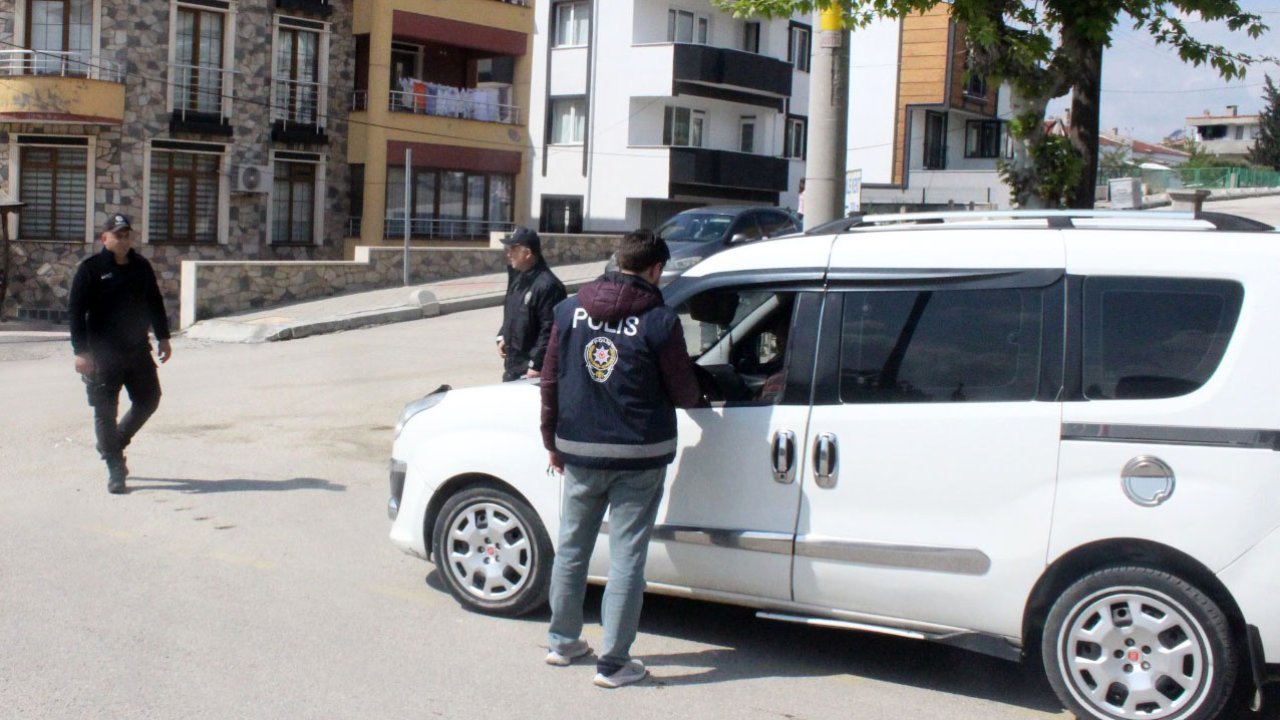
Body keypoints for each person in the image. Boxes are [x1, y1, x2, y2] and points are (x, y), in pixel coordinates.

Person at [539, 229, 702, 689]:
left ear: (616, 260)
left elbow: (550, 380)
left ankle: (563, 642)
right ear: (656, 269)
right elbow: (684, 390)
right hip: (640, 453)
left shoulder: (569, 311)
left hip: (580, 449)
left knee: (572, 547)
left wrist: (551, 439)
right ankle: (613, 663)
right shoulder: (660, 321)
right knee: (628, 556)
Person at [69, 213, 173, 494]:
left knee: (149, 399)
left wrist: (163, 336)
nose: (123, 239)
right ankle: (115, 466)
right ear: (105, 239)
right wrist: (81, 352)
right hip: (103, 353)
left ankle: (112, 442)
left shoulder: (140, 266)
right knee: (105, 412)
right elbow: (76, 312)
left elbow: (154, 301)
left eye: (126, 234)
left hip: (138, 349)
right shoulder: (90, 269)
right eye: (118, 234)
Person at [497, 226, 566, 381]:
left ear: (527, 253)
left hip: (530, 372)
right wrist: (503, 336)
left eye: (513, 249)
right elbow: (513, 313)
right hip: (513, 366)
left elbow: (550, 330)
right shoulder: (519, 279)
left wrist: (536, 365)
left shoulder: (548, 286)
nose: (509, 254)